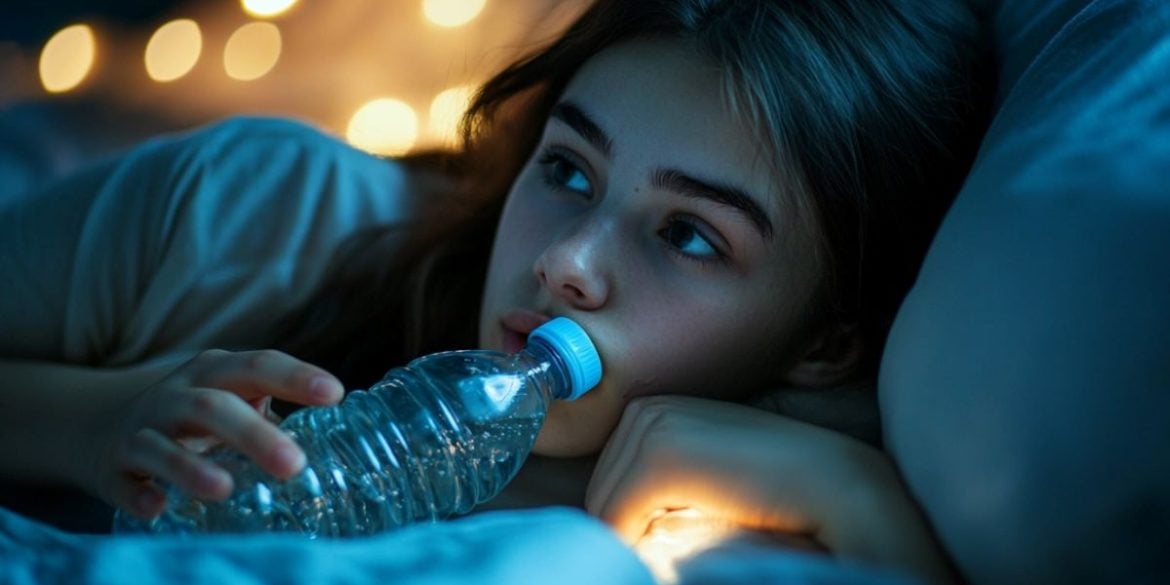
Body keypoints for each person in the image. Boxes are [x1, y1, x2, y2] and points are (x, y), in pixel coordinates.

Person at [0, 0, 990, 583]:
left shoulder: (757, 525)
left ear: (822, 345)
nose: (567, 262)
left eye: (688, 235)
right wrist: (87, 426)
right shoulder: (258, 215)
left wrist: (863, 505)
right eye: (568, 170)